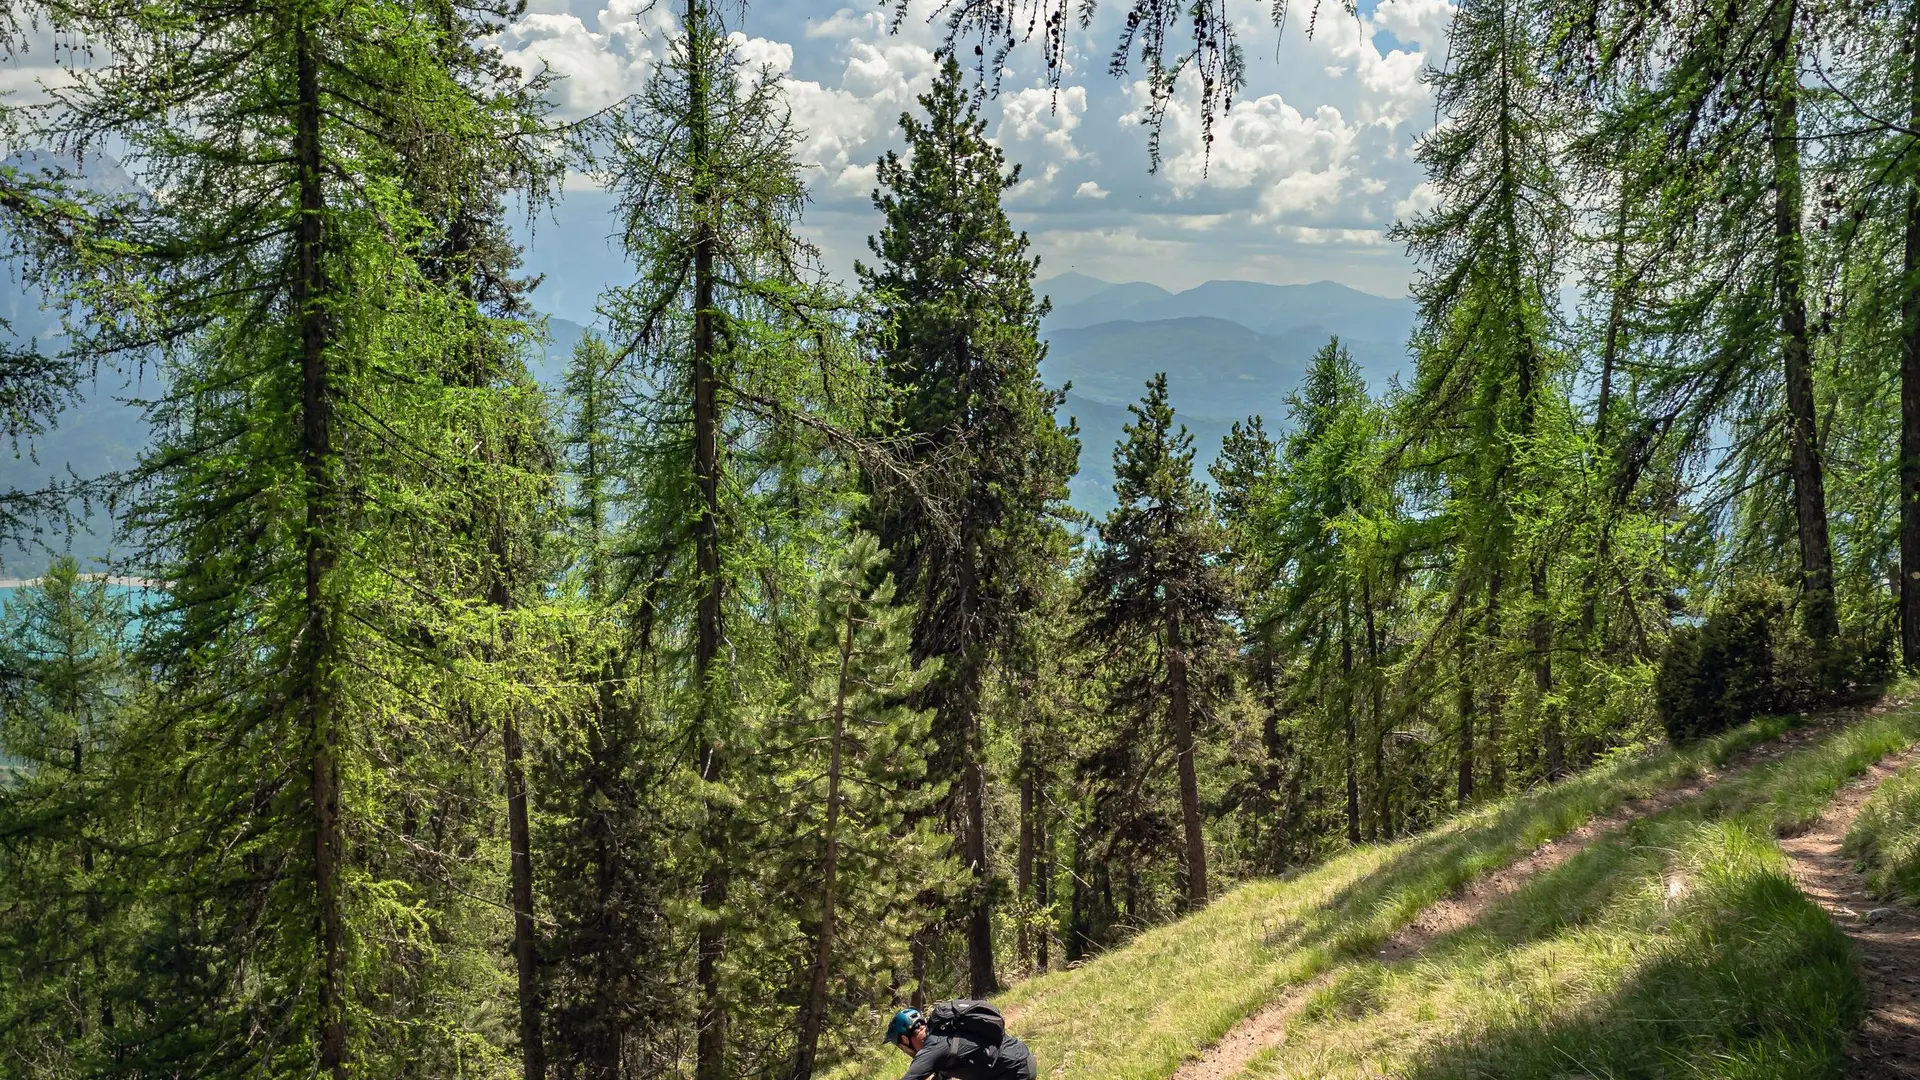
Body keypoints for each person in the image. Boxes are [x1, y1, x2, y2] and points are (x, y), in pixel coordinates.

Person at [885, 1005, 1036, 1080]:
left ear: (905, 1039)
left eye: (902, 1048)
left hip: (1016, 1070)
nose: (906, 1052)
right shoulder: (940, 1035)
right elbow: (941, 1074)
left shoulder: (932, 1049)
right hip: (1019, 1059)